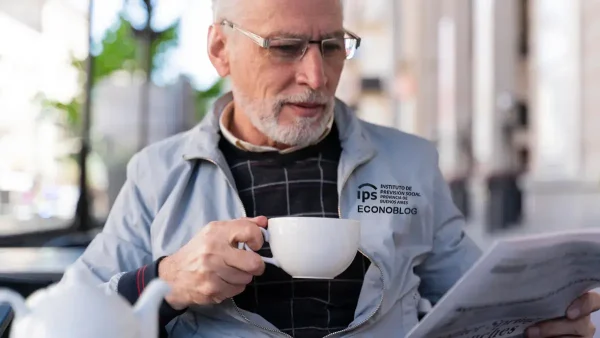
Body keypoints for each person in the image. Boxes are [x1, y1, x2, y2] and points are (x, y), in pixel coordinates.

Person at [64, 0, 600, 337]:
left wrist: (537, 322)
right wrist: (166, 281)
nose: (317, 75)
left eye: (331, 44)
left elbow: (481, 302)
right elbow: (65, 318)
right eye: (286, 47)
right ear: (221, 50)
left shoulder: (410, 163)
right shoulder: (157, 174)